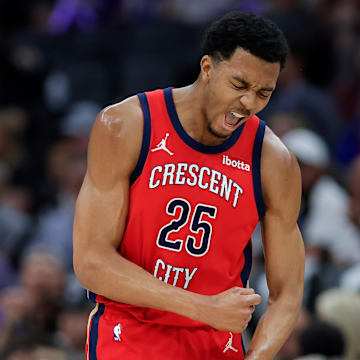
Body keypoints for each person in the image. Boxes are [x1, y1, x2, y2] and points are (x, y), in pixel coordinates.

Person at [73, 11, 305, 359]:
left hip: (216, 341)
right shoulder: (127, 124)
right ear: (207, 68)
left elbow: (287, 292)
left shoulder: (273, 160)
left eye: (263, 93)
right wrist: (201, 307)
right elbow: (91, 262)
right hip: (130, 330)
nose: (248, 103)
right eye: (239, 85)